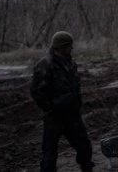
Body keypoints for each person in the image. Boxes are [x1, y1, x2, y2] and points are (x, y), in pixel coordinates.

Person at [30, 31, 94, 172]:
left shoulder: (71, 63)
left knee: (85, 148)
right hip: (54, 117)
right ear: (62, 47)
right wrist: (51, 108)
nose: (72, 48)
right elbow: (36, 91)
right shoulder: (45, 65)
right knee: (49, 154)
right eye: (69, 46)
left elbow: (75, 87)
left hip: (72, 115)